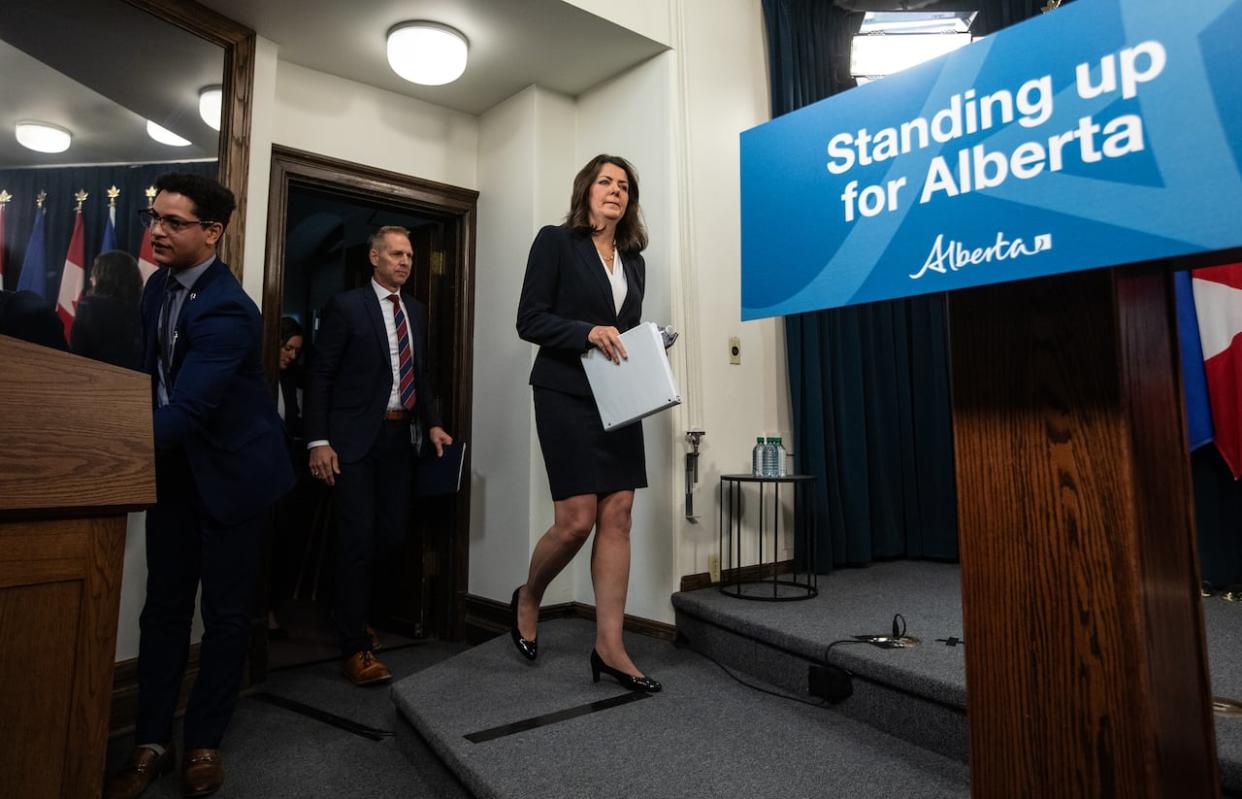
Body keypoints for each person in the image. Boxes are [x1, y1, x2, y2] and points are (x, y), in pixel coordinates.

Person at [106, 173, 294, 799]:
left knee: (226, 618)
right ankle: (152, 741)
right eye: (153, 217)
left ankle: (205, 741)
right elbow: (146, 377)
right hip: (177, 474)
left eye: (174, 222)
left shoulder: (229, 309)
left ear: (212, 233)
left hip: (237, 480)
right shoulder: (157, 286)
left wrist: (109, 457)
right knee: (163, 609)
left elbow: (187, 409)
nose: (156, 230)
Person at [513, 154, 661, 692]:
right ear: (586, 189)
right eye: (606, 181)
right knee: (576, 519)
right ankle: (530, 595)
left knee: (618, 513)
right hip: (564, 392)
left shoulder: (635, 260)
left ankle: (610, 647)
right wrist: (586, 332)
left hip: (619, 395)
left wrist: (650, 344)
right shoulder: (555, 241)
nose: (616, 190)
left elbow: (624, 328)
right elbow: (530, 319)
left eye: (625, 185)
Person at [304, 225, 453, 686]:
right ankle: (355, 646)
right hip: (351, 443)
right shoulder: (347, 307)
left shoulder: (417, 311)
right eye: (395, 254)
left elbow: (421, 375)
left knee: (390, 535)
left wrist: (431, 422)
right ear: (374, 258)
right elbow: (320, 376)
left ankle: (346, 610)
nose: (405, 262)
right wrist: (318, 440)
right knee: (355, 540)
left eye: (409, 254)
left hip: (397, 440)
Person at [267, 316, 305, 640]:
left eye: (296, 351)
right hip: (261, 475)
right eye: (288, 348)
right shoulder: (258, 376)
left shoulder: (291, 381)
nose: (291, 356)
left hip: (288, 474)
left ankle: (274, 611)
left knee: (284, 544)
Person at [71, 249, 143, 369]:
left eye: (94, 273)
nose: (90, 279)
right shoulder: (144, 308)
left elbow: (78, 353)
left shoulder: (90, 308)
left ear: (104, 277)